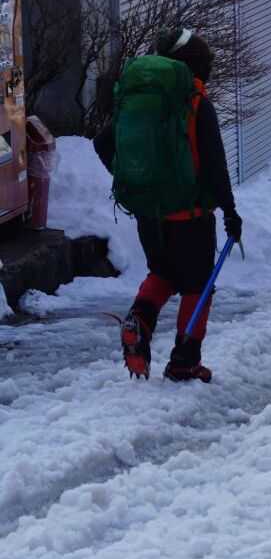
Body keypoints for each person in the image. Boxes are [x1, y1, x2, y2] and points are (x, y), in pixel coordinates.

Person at [94, 28, 242, 383]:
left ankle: (139, 321)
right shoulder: (195, 103)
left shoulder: (142, 102)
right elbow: (215, 164)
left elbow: (102, 143)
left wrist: (133, 178)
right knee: (197, 286)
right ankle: (184, 362)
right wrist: (230, 212)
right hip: (191, 216)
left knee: (162, 274)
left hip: (150, 214)